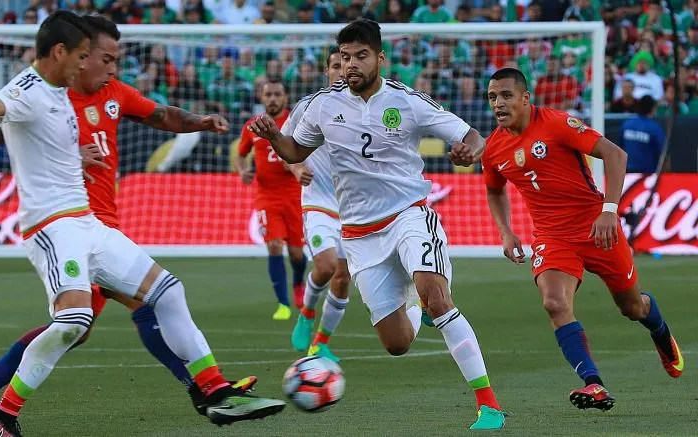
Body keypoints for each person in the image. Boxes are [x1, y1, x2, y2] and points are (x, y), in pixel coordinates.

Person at [0, 11, 284, 436]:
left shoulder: (76, 90)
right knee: (74, 322)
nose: (92, 65)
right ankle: (3, 415)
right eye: (88, 56)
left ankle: (214, 390)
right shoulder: (27, 88)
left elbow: (152, 117)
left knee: (167, 292)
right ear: (64, 53)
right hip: (52, 227)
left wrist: (70, 154)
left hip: (89, 223)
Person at [248, 19, 505, 430]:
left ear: (379, 57)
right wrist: (274, 137)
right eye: (345, 57)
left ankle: (488, 406)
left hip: (409, 215)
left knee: (437, 294)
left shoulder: (406, 100)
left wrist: (468, 151)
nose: (351, 65)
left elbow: (472, 135)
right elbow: (296, 149)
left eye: (360, 56)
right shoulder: (322, 105)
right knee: (397, 343)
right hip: (360, 235)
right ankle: (414, 302)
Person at [476, 67, 682, 411]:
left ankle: (660, 331)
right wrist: (505, 231)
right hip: (552, 236)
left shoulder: (557, 124)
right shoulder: (494, 148)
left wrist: (609, 210)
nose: (498, 103)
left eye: (506, 95)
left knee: (632, 307)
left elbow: (616, 154)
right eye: (493, 97)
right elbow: (494, 191)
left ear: (526, 98)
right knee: (554, 303)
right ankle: (594, 384)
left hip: (597, 228)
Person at [285, 48, 351, 363]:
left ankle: (321, 343)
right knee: (325, 266)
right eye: (335, 66)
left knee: (343, 277)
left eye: (346, 64)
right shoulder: (308, 107)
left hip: (354, 208)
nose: (341, 71)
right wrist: (297, 168)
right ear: (327, 71)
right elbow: (286, 147)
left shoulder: (366, 108)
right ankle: (307, 311)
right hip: (319, 201)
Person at [234, 78, 308, 320]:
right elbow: (241, 154)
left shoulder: (295, 122)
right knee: (274, 245)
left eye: (278, 94)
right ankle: (283, 304)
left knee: (297, 254)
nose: (273, 99)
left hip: (295, 195)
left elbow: (309, 151)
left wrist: (297, 164)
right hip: (266, 196)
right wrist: (243, 170)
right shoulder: (252, 126)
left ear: (285, 97)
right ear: (262, 97)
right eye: (269, 94)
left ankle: (298, 283)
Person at [618, 95, 667, 173]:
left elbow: (619, 149)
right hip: (647, 176)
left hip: (626, 176)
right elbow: (664, 155)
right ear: (653, 108)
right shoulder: (655, 129)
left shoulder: (626, 125)